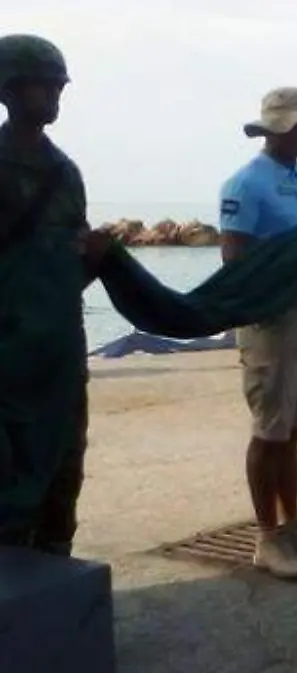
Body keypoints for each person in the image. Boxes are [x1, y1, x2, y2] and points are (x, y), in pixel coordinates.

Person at [218, 87, 297, 580]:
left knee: (293, 430)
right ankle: (266, 536)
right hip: (272, 318)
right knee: (269, 430)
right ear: (273, 130)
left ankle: (292, 528)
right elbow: (234, 258)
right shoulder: (245, 184)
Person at [0, 34, 109, 556]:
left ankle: (58, 593)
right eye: (44, 86)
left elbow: (68, 275)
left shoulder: (66, 173)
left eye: (58, 86)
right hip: (9, 360)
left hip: (61, 356)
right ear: (10, 90)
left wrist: (94, 258)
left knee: (63, 477)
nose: (55, 96)